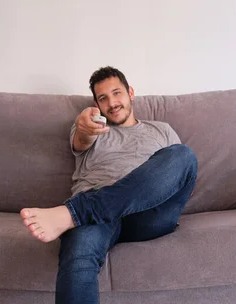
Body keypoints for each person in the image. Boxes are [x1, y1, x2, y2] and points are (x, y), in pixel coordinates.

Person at [20, 66, 198, 304]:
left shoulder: (161, 130)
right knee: (78, 256)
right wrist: (84, 126)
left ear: (130, 92)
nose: (112, 103)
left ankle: (74, 213)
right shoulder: (91, 127)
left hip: (148, 213)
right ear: (96, 104)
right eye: (103, 98)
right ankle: (81, 213)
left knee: (183, 156)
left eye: (117, 93)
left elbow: (175, 178)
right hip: (98, 216)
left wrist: (79, 212)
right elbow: (83, 137)